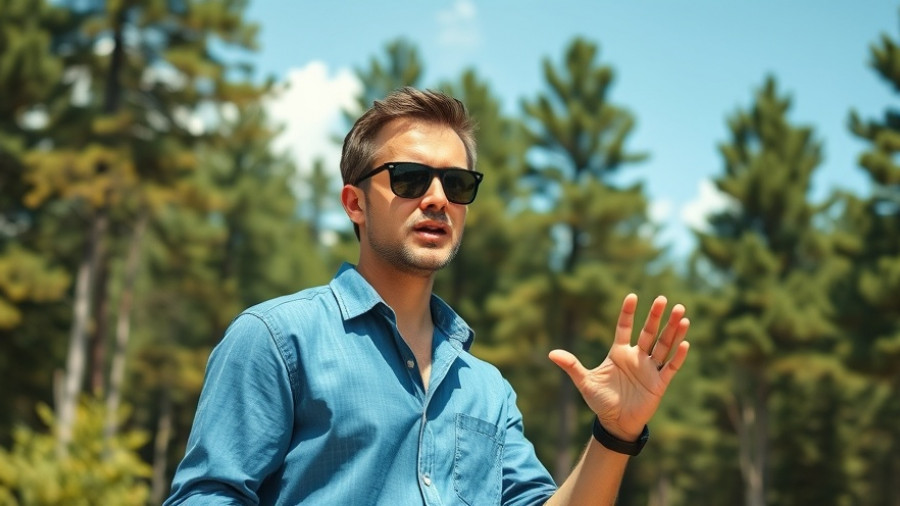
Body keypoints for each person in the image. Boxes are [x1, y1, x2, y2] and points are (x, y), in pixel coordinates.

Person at [164, 87, 691, 505]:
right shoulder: (277, 341)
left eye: (457, 184)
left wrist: (614, 435)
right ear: (355, 203)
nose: (437, 199)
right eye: (410, 178)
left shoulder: (487, 389)